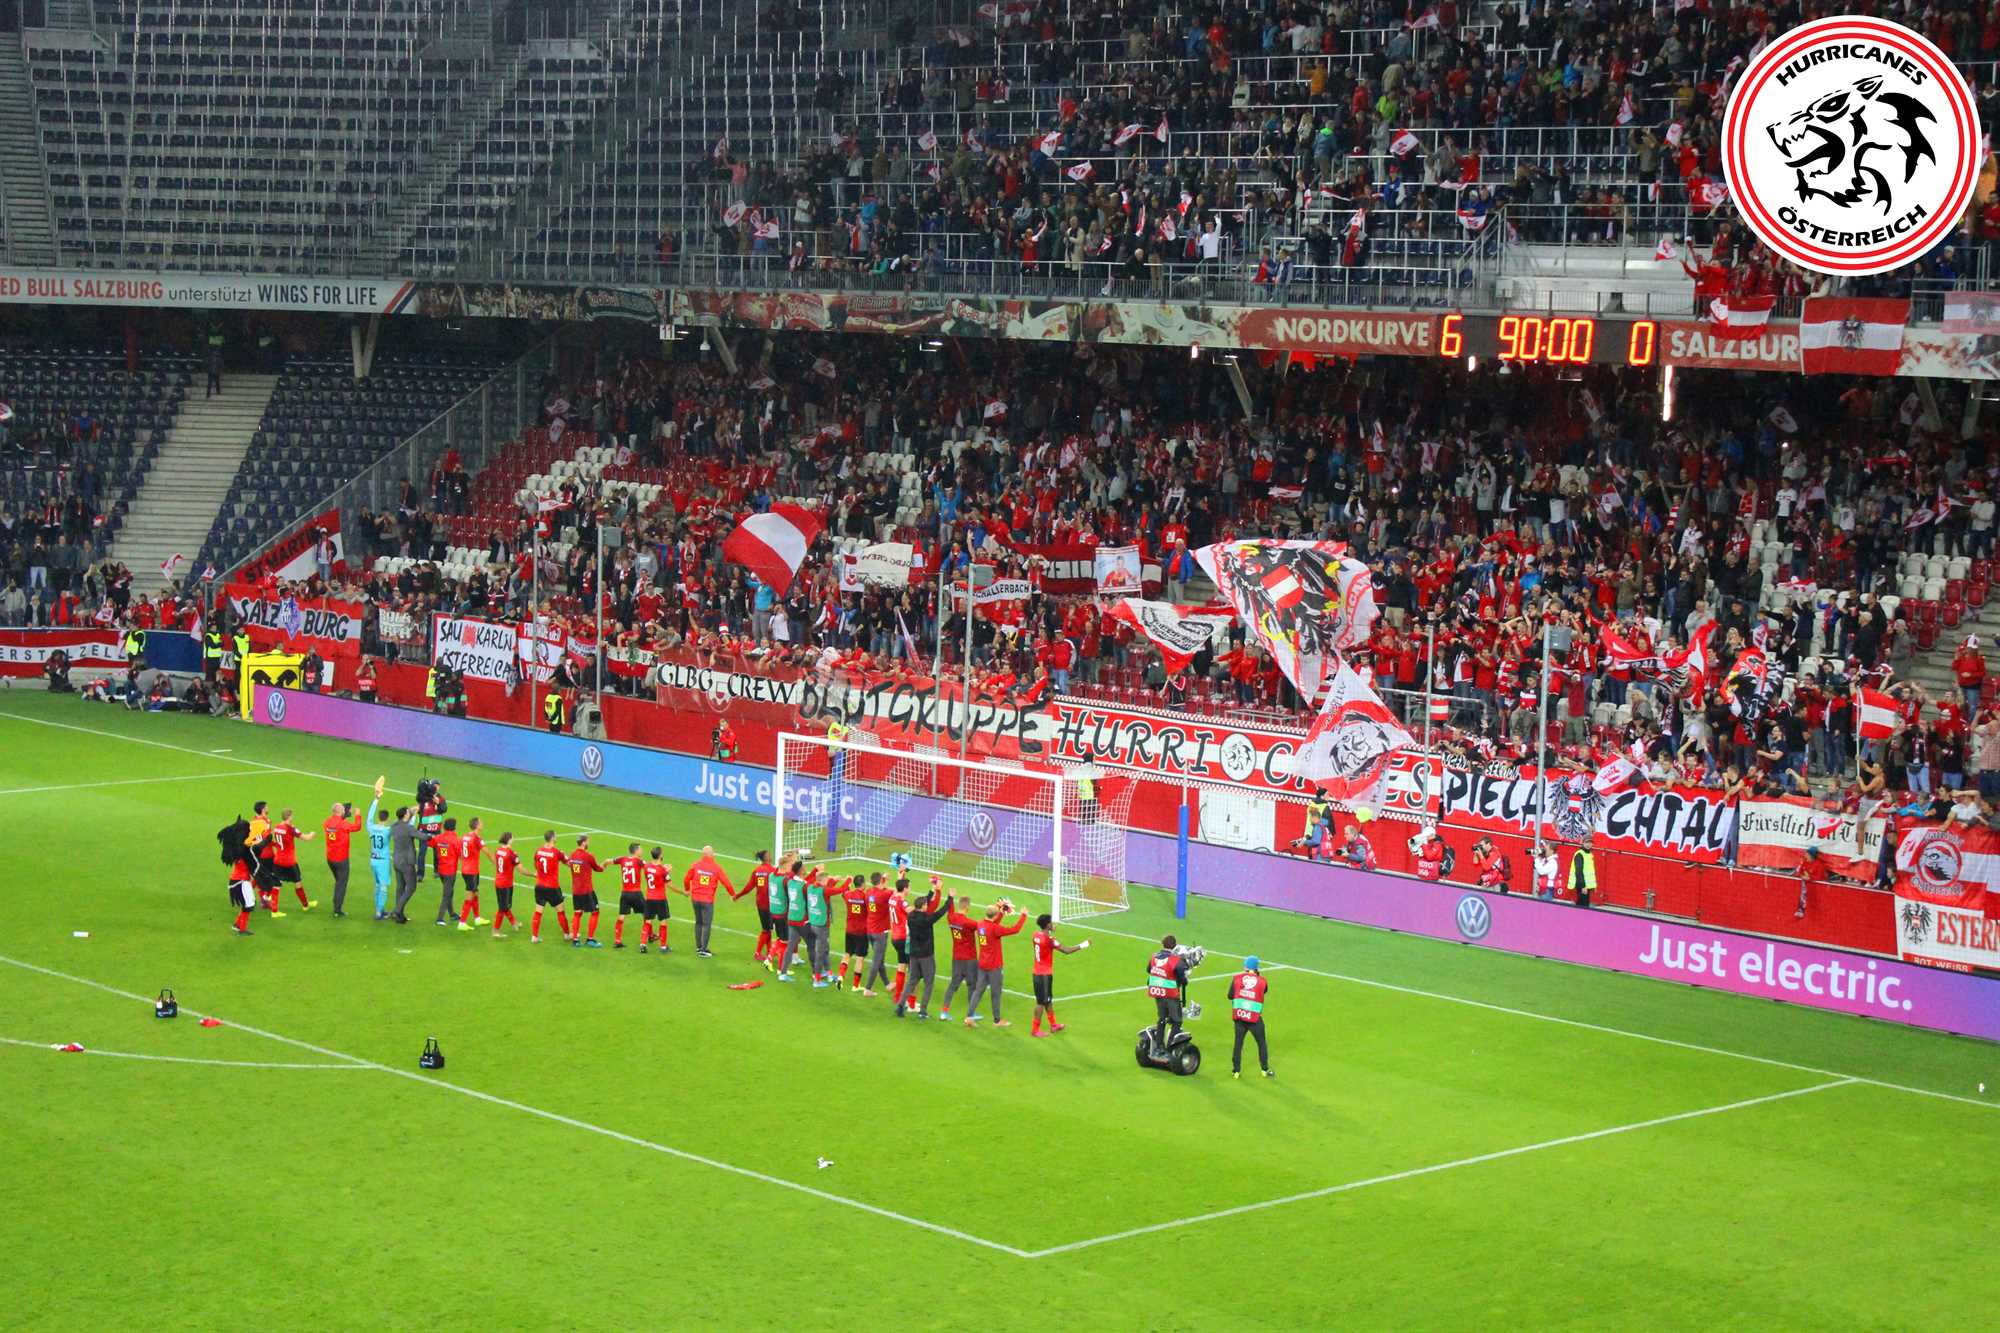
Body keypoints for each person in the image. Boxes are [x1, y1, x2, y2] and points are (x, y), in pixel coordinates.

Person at [964, 900, 1027, 1028]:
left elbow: (993, 924)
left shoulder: (980, 924)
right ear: (995, 915)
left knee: (978, 991)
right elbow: (1015, 929)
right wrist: (1023, 916)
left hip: (982, 963)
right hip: (994, 966)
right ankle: (997, 1021)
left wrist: (1001, 913)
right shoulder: (995, 928)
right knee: (996, 993)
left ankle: (969, 1017)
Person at [895, 875, 949, 1018]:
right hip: (926, 955)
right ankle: (923, 1011)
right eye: (926, 904)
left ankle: (900, 1005)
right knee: (929, 983)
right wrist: (949, 899)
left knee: (911, 981)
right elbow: (940, 912)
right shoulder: (927, 919)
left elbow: (924, 903)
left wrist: (932, 891)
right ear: (924, 907)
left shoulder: (911, 916)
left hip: (913, 954)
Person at [322, 781, 378, 918]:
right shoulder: (343, 824)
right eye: (343, 810)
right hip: (341, 859)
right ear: (339, 812)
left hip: (330, 858)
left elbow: (338, 822)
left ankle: (336, 903)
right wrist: (358, 815)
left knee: (338, 881)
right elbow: (357, 827)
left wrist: (345, 813)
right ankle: (337, 909)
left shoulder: (327, 822)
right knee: (342, 883)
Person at [1028, 913, 1086, 1037]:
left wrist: (1050, 930)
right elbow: (1067, 950)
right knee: (1041, 1003)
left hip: (1037, 972)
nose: (1053, 924)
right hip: (1044, 975)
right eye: (1051, 923)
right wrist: (1084, 945)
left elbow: (1044, 937)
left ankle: (1053, 1025)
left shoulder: (1035, 935)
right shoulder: (1050, 940)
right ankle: (1035, 1030)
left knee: (1048, 1000)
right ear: (1047, 924)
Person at [680, 844, 734, 957]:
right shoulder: (716, 868)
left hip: (695, 899)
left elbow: (686, 879)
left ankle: (699, 947)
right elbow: (727, 883)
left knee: (698, 922)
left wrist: (687, 889)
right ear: (711, 854)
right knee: (706, 924)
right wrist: (733, 894)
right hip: (707, 900)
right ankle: (703, 950)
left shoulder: (695, 865)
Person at [936, 894, 981, 1021]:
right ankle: (971, 1014)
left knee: (953, 985)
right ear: (967, 907)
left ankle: (944, 1012)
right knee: (972, 985)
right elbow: (985, 927)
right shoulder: (969, 922)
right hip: (969, 958)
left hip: (957, 957)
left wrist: (950, 897)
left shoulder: (951, 917)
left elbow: (950, 910)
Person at [1227, 955, 1272, 1079]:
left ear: (1246, 966)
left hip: (1240, 1017)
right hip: (1254, 1019)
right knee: (1261, 1043)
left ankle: (1236, 1071)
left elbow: (1230, 996)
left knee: (1238, 1044)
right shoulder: (1262, 981)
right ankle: (1264, 1070)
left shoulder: (1236, 979)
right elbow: (1264, 991)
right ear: (1257, 967)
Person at [1146, 934, 1193, 1048]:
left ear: (1162, 944)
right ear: (1175, 946)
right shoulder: (1175, 960)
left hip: (1157, 992)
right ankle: (1171, 1046)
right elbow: (1181, 974)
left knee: (1162, 1019)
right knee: (1177, 1020)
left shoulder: (1154, 957)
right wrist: (1184, 981)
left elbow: (1149, 969)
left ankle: (1159, 1045)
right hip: (1171, 994)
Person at [269, 807, 317, 911]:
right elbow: (306, 838)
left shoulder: (277, 827)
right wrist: (312, 834)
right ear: (289, 817)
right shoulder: (290, 828)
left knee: (276, 885)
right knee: (298, 882)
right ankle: (305, 905)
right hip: (289, 861)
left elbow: (274, 841)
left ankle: (274, 910)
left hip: (278, 859)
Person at [834, 868, 873, 992]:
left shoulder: (848, 895)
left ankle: (840, 976)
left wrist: (848, 882)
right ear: (863, 884)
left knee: (847, 954)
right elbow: (872, 909)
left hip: (850, 929)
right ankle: (855, 986)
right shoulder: (866, 897)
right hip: (862, 931)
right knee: (860, 958)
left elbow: (843, 892)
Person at [736, 849, 777, 962]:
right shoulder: (773, 871)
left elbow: (749, 887)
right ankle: (757, 953)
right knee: (766, 929)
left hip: (760, 903)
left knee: (768, 928)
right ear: (765, 857)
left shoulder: (757, 871)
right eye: (769, 854)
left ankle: (769, 951)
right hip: (769, 904)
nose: (771, 855)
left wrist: (738, 895)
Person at [220, 817, 258, 936]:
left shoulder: (237, 848)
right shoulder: (243, 850)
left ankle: (237, 925)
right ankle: (241, 929)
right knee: (249, 905)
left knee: (248, 904)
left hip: (238, 880)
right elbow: (253, 860)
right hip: (241, 882)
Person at [567, 835, 606, 948]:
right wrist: (605, 864)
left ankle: (575, 940)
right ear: (583, 843)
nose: (588, 843)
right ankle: (590, 939)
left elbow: (569, 864)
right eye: (588, 841)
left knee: (577, 913)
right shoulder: (588, 856)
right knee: (595, 912)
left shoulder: (572, 855)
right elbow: (598, 869)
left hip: (576, 890)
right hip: (587, 890)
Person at [531, 830, 569, 943]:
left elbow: (536, 864)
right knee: (560, 911)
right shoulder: (557, 852)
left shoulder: (538, 851)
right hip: (552, 887)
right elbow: (569, 862)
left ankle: (534, 936)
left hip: (539, 885)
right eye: (555, 836)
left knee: (538, 911)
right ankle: (567, 934)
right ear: (552, 838)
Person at [861, 870, 894, 995]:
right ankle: (868, 988)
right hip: (880, 932)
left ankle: (887, 984)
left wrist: (883, 880)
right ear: (881, 880)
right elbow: (898, 891)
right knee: (876, 961)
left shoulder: (868, 892)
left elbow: (881, 888)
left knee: (880, 959)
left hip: (870, 929)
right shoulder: (884, 894)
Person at [388, 806, 422, 923]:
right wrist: (432, 836)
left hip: (397, 860)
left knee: (400, 888)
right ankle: (397, 911)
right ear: (405, 815)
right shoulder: (408, 828)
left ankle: (399, 915)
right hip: (407, 862)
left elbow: (403, 820)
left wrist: (412, 812)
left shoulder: (394, 826)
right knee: (411, 887)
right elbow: (422, 836)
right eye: (408, 812)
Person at [612, 841, 648, 949]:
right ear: (636, 851)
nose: (642, 851)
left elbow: (609, 861)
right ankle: (647, 938)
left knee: (621, 917)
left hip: (625, 893)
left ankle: (617, 940)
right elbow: (650, 868)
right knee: (647, 915)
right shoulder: (639, 861)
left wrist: (603, 865)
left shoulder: (622, 859)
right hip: (636, 893)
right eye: (640, 849)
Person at [454, 817, 487, 931]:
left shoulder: (464, 837)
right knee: (470, 895)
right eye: (481, 822)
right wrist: (496, 863)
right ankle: (462, 922)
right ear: (477, 825)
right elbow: (487, 852)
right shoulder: (476, 838)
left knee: (475, 892)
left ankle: (477, 918)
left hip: (467, 869)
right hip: (471, 871)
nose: (482, 824)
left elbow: (459, 852)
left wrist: (464, 862)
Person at [429, 817, 462, 925]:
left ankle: (452, 914)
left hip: (441, 869)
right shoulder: (455, 840)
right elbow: (461, 855)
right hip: (450, 870)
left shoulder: (439, 837)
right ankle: (440, 918)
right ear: (454, 827)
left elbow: (430, 843)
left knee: (449, 892)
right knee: (447, 894)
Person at [366, 792, 393, 919]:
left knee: (377, 885)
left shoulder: (371, 827)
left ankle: (379, 909)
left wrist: (376, 800)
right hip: (383, 861)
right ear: (387, 818)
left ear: (379, 817)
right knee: (383, 886)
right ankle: (379, 911)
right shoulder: (387, 830)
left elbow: (369, 817)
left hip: (373, 860)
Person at [641, 847, 673, 952]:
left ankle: (643, 944)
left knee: (648, 921)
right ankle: (663, 947)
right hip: (660, 899)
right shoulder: (662, 870)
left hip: (649, 898)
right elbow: (669, 885)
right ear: (660, 855)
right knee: (663, 922)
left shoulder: (646, 867)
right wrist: (683, 892)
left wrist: (664, 869)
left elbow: (654, 872)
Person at [490, 832, 520, 936]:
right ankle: (495, 930)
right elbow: (520, 869)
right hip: (505, 883)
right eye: (512, 837)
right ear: (509, 840)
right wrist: (533, 874)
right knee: (502, 907)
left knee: (505, 905)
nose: (513, 839)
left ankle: (514, 922)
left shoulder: (498, 850)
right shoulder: (511, 854)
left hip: (500, 881)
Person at [1569, 836, 1598, 908]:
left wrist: (1593, 886)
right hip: (1582, 886)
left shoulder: (1589, 854)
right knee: (1583, 906)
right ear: (1582, 843)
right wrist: (1583, 886)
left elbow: (1590, 871)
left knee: (1582, 906)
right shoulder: (1580, 854)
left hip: (1586, 886)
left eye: (1590, 842)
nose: (1588, 844)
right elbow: (1579, 872)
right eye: (1586, 842)